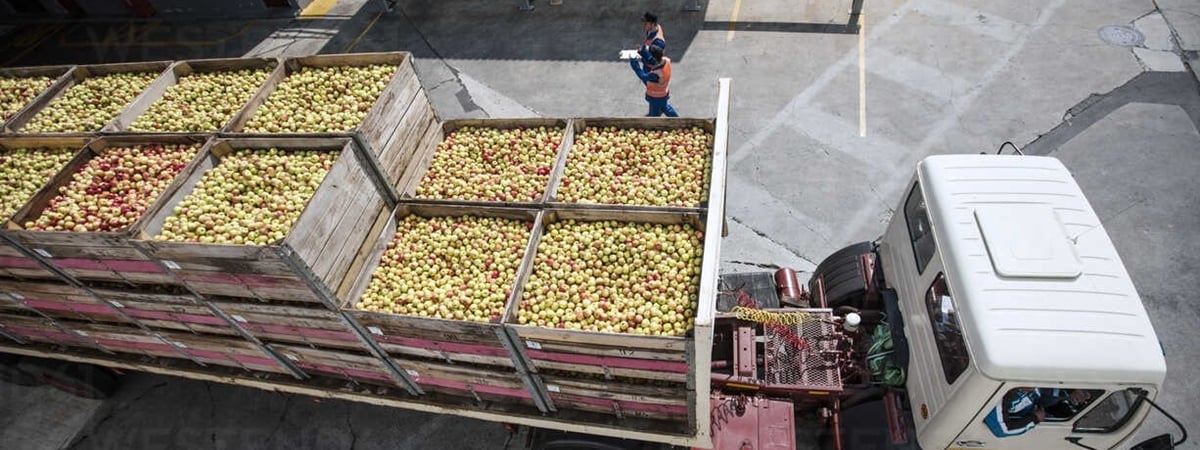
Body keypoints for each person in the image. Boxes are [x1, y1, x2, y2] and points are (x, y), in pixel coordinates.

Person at [984, 388, 1093, 438]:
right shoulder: (999, 399)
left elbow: (1045, 391)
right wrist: (1035, 419)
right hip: (1029, 415)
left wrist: (1070, 392)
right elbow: (1003, 430)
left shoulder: (1033, 388)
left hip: (1036, 405)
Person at [629, 45, 678, 117]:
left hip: (656, 97)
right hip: (664, 93)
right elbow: (652, 60)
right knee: (665, 108)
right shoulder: (666, 61)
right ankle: (677, 121)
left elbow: (642, 76)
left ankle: (655, 126)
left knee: (654, 116)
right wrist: (642, 52)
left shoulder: (656, 74)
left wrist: (633, 61)